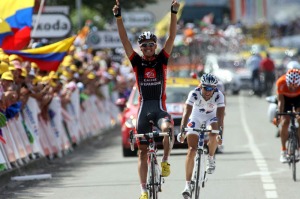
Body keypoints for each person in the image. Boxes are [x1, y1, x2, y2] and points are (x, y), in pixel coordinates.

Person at [112, 1, 179, 198]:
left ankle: (165, 160)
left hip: (159, 108)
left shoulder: (162, 60)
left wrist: (173, 12)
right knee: (142, 152)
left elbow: (172, 36)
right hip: (143, 110)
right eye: (144, 46)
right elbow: (124, 40)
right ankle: (143, 190)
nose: (148, 48)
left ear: (155, 46)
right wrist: (118, 18)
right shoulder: (136, 62)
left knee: (167, 131)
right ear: (140, 48)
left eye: (151, 45)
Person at [177, 73, 225, 198]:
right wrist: (182, 130)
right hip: (196, 117)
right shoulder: (194, 93)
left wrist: (220, 134)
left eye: (211, 88)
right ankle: (187, 185)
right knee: (192, 150)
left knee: (214, 131)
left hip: (211, 118)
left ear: (215, 88)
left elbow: (220, 117)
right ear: (201, 86)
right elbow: (186, 112)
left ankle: (211, 157)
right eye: (206, 88)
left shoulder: (219, 95)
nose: (208, 91)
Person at [276, 69, 300, 163]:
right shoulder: (281, 82)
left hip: (298, 99)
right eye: (290, 86)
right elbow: (281, 101)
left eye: (295, 86)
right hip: (286, 100)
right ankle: (283, 151)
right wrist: (280, 115)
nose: (293, 88)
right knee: (285, 122)